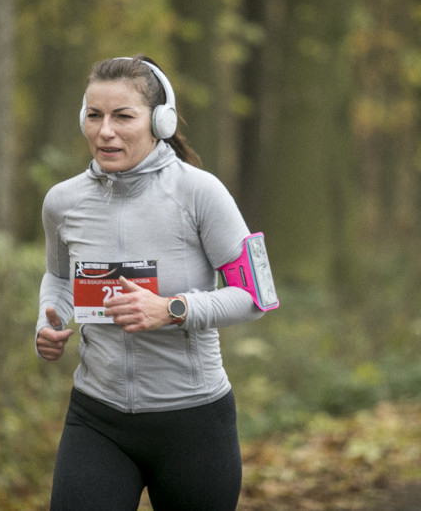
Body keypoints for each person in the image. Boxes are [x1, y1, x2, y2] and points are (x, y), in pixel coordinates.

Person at [35, 55, 267, 511]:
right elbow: (59, 277)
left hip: (194, 422)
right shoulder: (62, 202)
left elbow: (255, 297)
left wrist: (173, 309)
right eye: (95, 115)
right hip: (96, 417)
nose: (105, 131)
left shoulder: (200, 193)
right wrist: (50, 321)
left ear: (160, 121)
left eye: (123, 116)